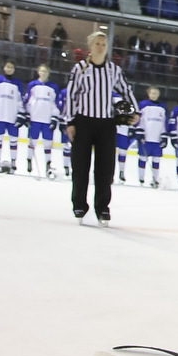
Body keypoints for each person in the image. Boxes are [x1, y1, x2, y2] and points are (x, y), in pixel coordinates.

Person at [64, 30, 133, 225]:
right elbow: (71, 95)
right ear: (90, 46)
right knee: (80, 167)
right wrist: (70, 122)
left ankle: (102, 207)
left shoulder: (113, 69)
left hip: (106, 124)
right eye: (97, 43)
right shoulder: (80, 69)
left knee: (105, 169)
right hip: (83, 122)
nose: (101, 47)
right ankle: (79, 204)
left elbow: (126, 89)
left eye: (104, 44)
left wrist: (134, 110)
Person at [26, 64, 63, 178]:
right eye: (42, 71)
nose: (43, 73)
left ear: (49, 73)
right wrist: (27, 115)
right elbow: (28, 100)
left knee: (47, 143)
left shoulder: (53, 87)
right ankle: (29, 161)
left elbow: (55, 104)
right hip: (35, 118)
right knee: (32, 141)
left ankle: (48, 164)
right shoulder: (32, 85)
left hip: (47, 119)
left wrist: (54, 118)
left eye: (45, 71)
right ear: (38, 72)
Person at [0, 61, 26, 173]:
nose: (9, 69)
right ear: (4, 68)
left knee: (13, 140)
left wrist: (21, 115)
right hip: (0, 115)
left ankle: (14, 162)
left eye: (11, 67)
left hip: (12, 117)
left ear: (14, 69)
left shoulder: (17, 83)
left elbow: (20, 100)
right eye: (7, 67)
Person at [134, 86, 168, 188]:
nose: (154, 95)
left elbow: (164, 122)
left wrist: (164, 136)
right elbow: (139, 120)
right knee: (143, 158)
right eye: (152, 93)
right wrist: (139, 132)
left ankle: (155, 179)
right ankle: (141, 179)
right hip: (146, 136)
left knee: (156, 160)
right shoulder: (143, 105)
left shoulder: (162, 106)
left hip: (157, 138)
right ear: (149, 94)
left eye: (156, 93)